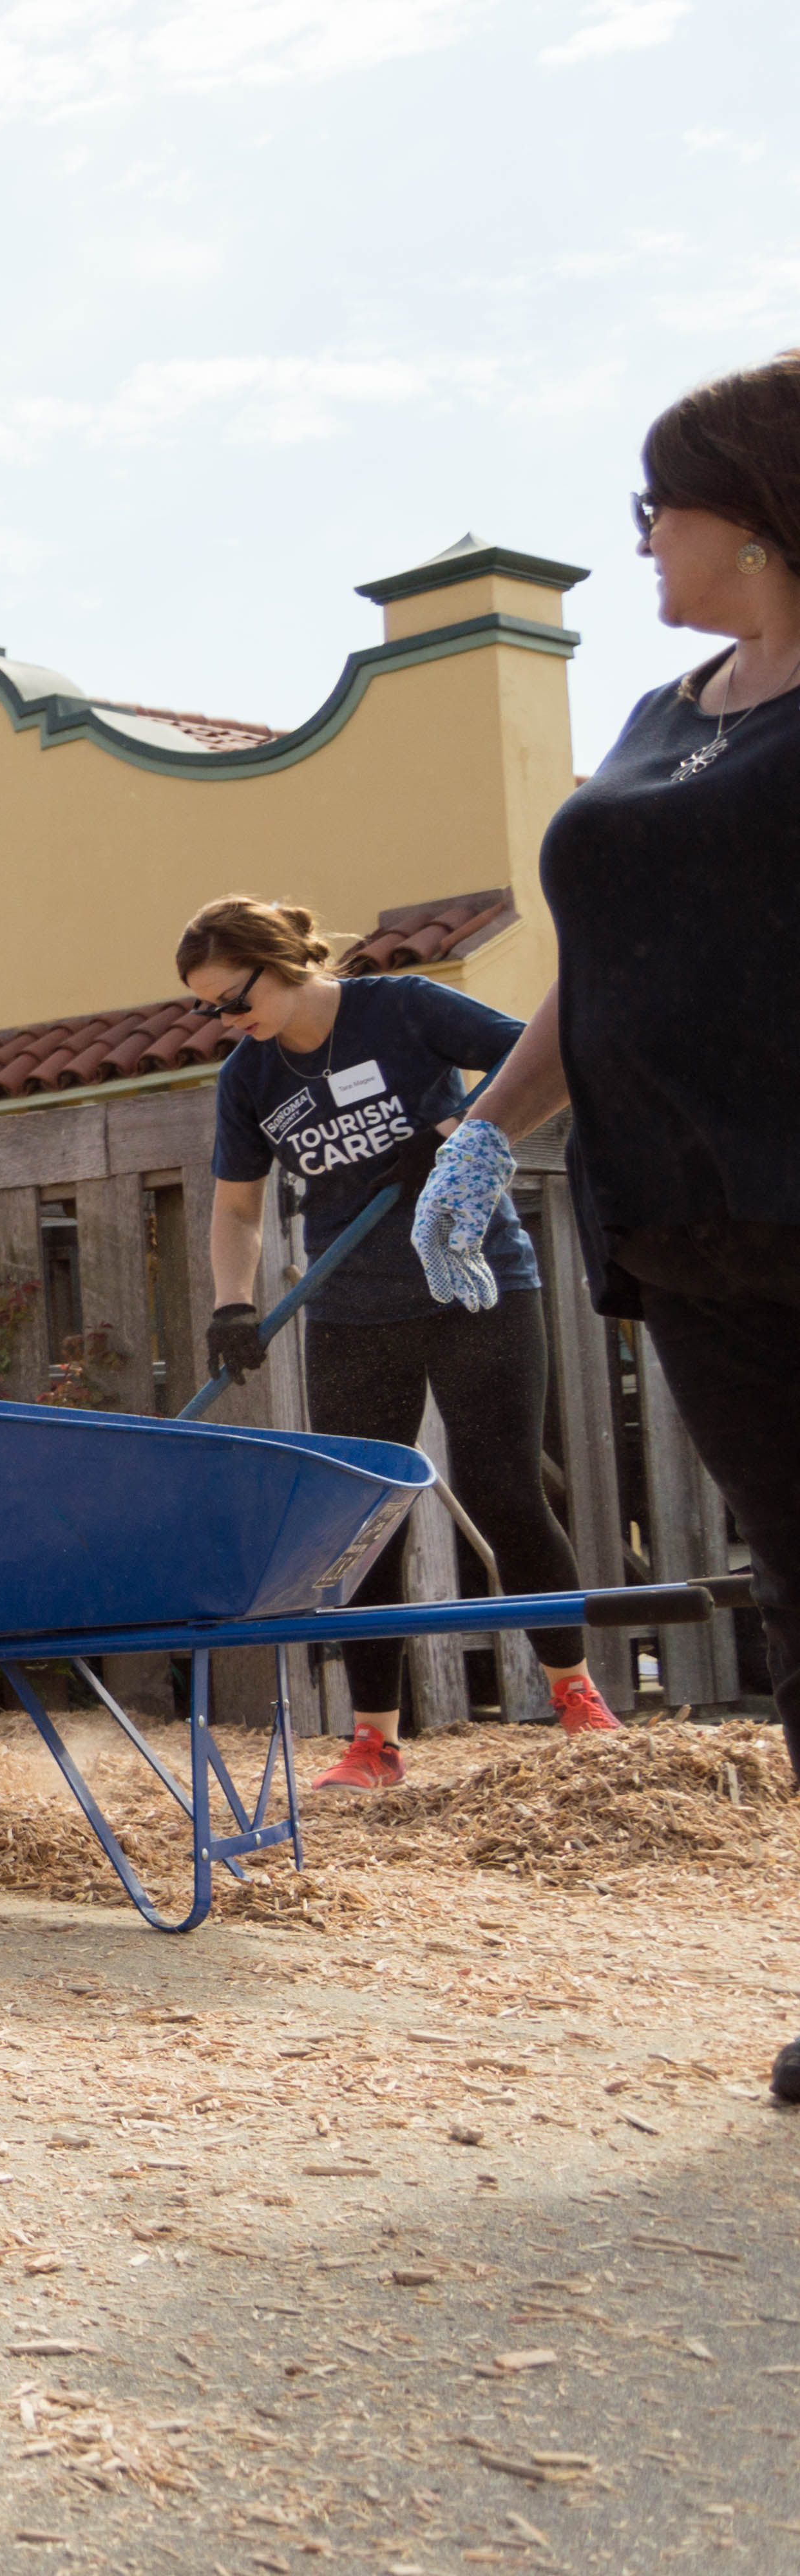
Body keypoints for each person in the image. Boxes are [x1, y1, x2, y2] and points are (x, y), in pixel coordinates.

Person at [405, 348, 800, 2095]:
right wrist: (485, 1137)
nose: (642, 543)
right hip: (697, 1236)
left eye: (660, 510)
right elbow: (603, 969)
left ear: (757, 514)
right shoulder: (673, 712)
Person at [180, 896, 616, 1792]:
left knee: (506, 1486)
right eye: (210, 1010)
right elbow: (236, 1207)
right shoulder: (250, 1078)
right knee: (362, 1519)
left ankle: (576, 1693)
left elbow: (531, 1059)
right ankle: (374, 1743)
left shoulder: (405, 1009)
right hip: (352, 1308)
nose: (228, 1022)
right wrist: (231, 1305)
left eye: (233, 998)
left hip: (474, 1282)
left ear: (281, 959)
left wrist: (458, 1136)